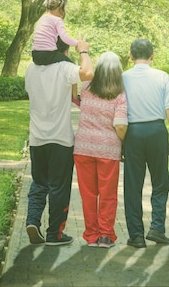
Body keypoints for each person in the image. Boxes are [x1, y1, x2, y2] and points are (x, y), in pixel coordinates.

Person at [25, 35, 94, 246]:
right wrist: (83, 51)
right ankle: (54, 233)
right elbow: (88, 73)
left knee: (39, 183)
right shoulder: (65, 68)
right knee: (59, 186)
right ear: (64, 50)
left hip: (37, 138)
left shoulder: (30, 69)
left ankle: (32, 220)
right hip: (61, 139)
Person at [122, 38, 169, 248]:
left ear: (130, 55)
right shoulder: (162, 76)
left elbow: (118, 110)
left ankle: (136, 235)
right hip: (156, 131)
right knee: (161, 182)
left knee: (133, 185)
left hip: (132, 132)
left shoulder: (123, 77)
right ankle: (157, 228)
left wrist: (120, 142)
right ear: (152, 55)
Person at [74, 51, 128, 248]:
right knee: (107, 194)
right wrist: (124, 144)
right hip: (108, 149)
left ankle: (91, 235)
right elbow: (120, 125)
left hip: (83, 148)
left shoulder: (87, 87)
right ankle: (105, 235)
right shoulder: (119, 95)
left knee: (88, 194)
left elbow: (76, 98)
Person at [31, 0, 79, 65]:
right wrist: (77, 43)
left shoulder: (42, 18)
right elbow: (64, 38)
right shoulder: (57, 20)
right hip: (48, 54)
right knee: (70, 65)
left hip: (35, 55)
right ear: (61, 7)